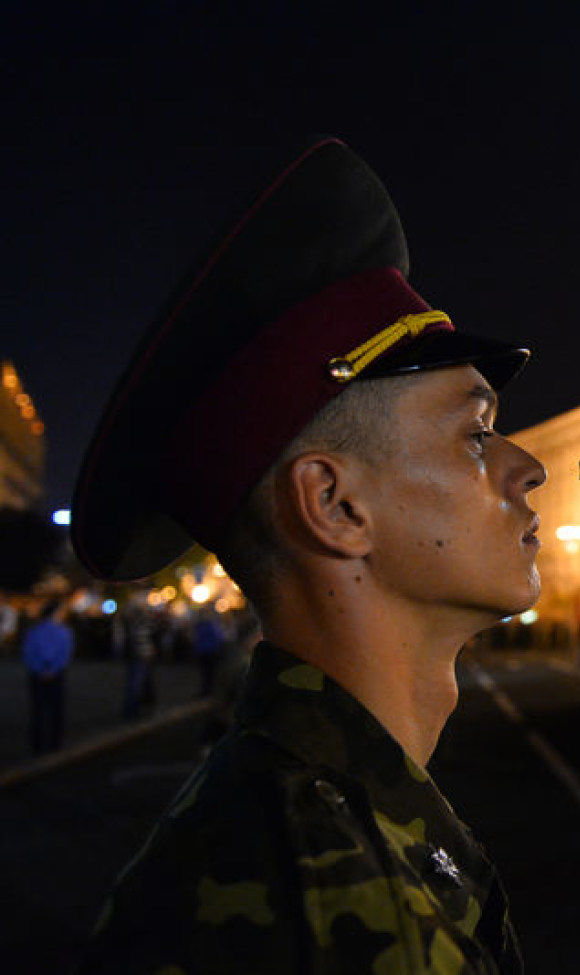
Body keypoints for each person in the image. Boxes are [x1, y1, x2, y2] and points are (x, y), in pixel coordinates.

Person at [72, 139, 543, 972]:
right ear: (333, 505)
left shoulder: (322, 810)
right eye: (475, 434)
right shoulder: (334, 915)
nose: (526, 467)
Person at [22, 598, 74, 754]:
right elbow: (65, 655)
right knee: (56, 710)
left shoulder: (33, 631)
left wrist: (39, 669)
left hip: (37, 675)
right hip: (56, 675)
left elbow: (28, 654)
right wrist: (53, 669)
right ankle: (55, 742)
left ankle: (37, 744)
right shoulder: (64, 632)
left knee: (37, 710)